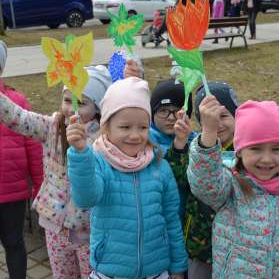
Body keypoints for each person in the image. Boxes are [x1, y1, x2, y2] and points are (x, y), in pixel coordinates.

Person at [0, 57, 143, 278]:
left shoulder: (107, 137)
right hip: (55, 227)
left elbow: (136, 126)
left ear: (97, 107)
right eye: (67, 100)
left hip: (91, 231)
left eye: (81, 102)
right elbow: (19, 118)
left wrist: (134, 84)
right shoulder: (52, 127)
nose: (71, 109)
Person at [66, 77, 188, 279]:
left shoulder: (160, 165)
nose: (135, 135)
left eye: (142, 127)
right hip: (110, 271)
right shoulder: (99, 162)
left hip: (156, 271)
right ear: (106, 127)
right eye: (125, 127)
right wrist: (80, 154)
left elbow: (172, 220)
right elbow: (85, 199)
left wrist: (178, 267)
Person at [187, 98, 279, 277]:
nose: (266, 159)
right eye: (256, 149)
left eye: (276, 149)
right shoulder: (230, 186)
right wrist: (209, 132)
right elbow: (204, 182)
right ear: (240, 151)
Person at [166, 82, 238, 278]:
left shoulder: (246, 150)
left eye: (224, 116)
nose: (218, 124)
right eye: (210, 120)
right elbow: (176, 178)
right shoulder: (196, 148)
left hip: (237, 246)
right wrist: (180, 143)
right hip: (200, 245)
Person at [0, 41, 43, 279]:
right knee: (14, 243)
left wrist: (40, 187)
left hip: (14, 193)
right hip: (15, 192)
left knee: (14, 243)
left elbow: (33, 146)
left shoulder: (17, 101)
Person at [149, 78, 195, 156]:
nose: (171, 118)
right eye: (163, 111)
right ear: (152, 113)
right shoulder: (143, 142)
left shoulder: (196, 144)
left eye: (177, 111)